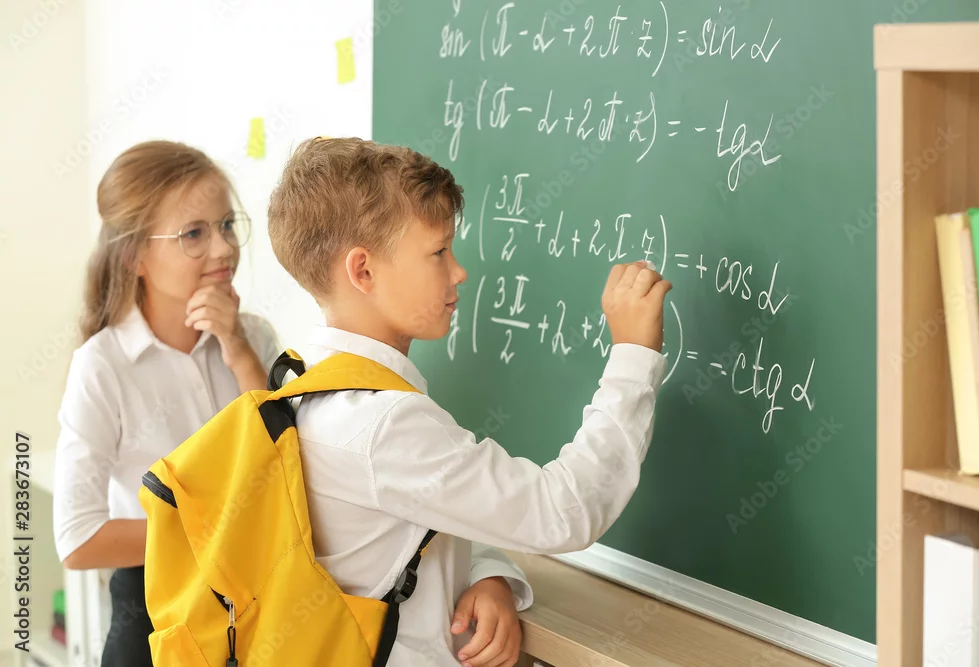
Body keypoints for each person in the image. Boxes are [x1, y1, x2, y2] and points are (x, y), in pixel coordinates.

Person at [265, 137, 672, 667]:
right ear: (363, 271)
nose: (458, 272)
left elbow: (415, 520)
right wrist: (634, 356)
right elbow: (562, 511)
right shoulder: (382, 424)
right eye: (438, 252)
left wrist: (490, 574)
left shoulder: (306, 382)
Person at [52, 140, 282, 667]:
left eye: (227, 225)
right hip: (153, 622)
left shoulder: (255, 338)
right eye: (194, 234)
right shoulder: (103, 365)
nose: (223, 248)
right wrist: (218, 532)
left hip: (260, 611)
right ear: (134, 256)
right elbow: (79, 538)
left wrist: (238, 350)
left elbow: (293, 464)